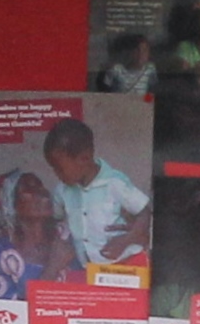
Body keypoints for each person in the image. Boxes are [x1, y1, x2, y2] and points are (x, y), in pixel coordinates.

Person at [33, 113, 145, 269]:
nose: (56, 174)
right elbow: (55, 219)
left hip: (126, 264)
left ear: (84, 158)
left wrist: (127, 239)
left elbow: (145, 211)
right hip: (88, 269)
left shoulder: (115, 183)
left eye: (59, 168)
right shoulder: (62, 191)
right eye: (53, 169)